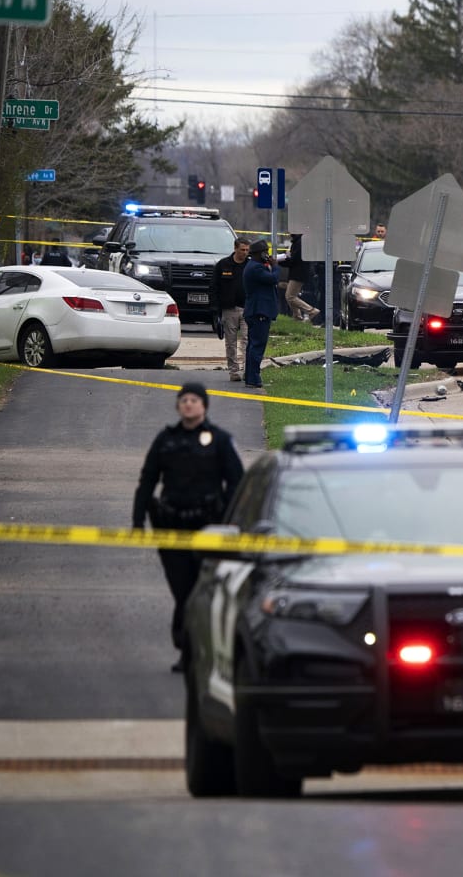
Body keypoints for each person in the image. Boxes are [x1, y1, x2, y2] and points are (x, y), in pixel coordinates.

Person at [132, 382, 244, 672]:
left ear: (204, 406)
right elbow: (147, 479)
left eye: (194, 400)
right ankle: (187, 649)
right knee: (183, 590)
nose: (189, 404)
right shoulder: (166, 440)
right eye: (184, 400)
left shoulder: (219, 440)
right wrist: (137, 519)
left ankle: (199, 652)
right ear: (178, 406)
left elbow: (237, 482)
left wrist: (232, 518)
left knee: (200, 590)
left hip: (208, 527)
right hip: (173, 527)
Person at [243, 239, 280, 389]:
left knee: (252, 345)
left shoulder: (254, 266)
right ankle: (253, 378)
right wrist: (275, 267)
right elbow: (273, 279)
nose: (268, 255)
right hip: (259, 311)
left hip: (255, 310)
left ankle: (250, 376)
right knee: (257, 346)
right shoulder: (256, 268)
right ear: (260, 253)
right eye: (266, 252)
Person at [213, 238, 250, 381]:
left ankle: (248, 370)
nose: (245, 253)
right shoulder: (223, 265)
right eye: (242, 250)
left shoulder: (250, 265)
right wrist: (215, 309)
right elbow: (214, 287)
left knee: (247, 340)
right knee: (231, 342)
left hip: (247, 308)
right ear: (235, 248)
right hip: (229, 309)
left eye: (247, 250)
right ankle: (233, 371)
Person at [282, 233, 319, 323]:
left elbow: (294, 260)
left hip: (298, 273)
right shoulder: (298, 241)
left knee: (290, 296)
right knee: (291, 295)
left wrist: (281, 261)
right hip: (297, 272)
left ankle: (311, 311)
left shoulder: (300, 242)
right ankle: (297, 316)